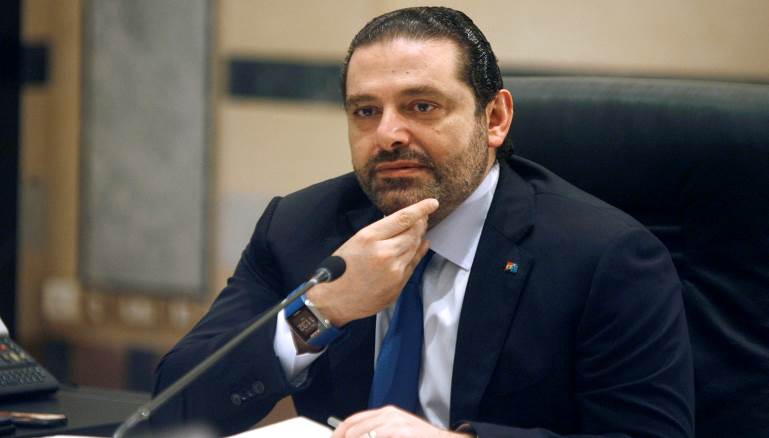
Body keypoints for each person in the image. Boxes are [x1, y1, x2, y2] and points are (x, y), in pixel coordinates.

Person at [153, 7, 694, 437]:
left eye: (422, 106)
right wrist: (321, 312)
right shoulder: (298, 228)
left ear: (495, 118)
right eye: (366, 111)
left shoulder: (605, 256)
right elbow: (173, 409)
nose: (388, 135)